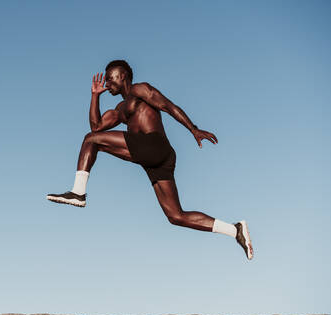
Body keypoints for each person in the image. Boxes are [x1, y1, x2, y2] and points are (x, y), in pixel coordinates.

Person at [47, 60, 253, 260]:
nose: (107, 84)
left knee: (91, 141)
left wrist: (193, 129)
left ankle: (78, 193)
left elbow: (167, 106)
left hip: (154, 145)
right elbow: (96, 126)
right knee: (175, 216)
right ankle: (235, 230)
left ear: (123, 76)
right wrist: (94, 96)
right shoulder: (120, 109)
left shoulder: (139, 90)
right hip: (157, 159)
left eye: (111, 79)